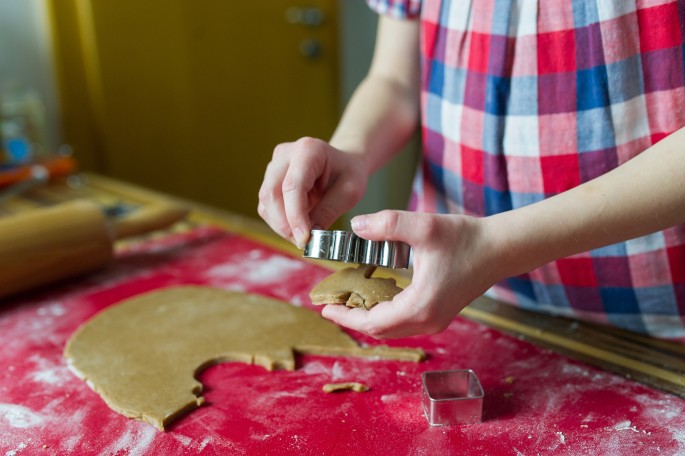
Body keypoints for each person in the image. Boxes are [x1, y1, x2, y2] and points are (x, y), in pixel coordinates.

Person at [258, 0, 685, 340]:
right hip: (460, 296)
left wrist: (493, 246)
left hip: (652, 317)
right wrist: (351, 151)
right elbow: (394, 79)